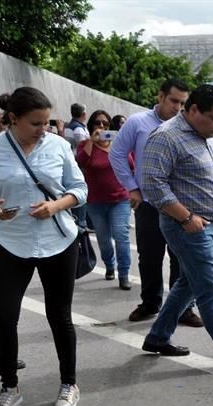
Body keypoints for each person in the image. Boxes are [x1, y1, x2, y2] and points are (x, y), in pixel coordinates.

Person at [0, 87, 88, 406]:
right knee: (5, 317)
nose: (44, 129)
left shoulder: (58, 145)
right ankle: (9, 387)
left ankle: (69, 383)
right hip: (11, 242)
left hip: (58, 240)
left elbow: (80, 190)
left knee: (60, 315)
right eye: (35, 123)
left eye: (46, 122)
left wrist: (55, 204)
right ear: (12, 119)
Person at [139, 84, 213, 377]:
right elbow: (153, 184)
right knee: (210, 290)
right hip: (188, 226)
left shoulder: (207, 136)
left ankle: (157, 337)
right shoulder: (166, 137)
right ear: (192, 110)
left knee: (188, 284)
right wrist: (187, 217)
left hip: (211, 223)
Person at [110, 78, 203, 327]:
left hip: (181, 205)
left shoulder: (189, 125)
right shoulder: (138, 123)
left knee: (181, 257)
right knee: (149, 256)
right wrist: (132, 188)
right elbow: (117, 153)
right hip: (150, 203)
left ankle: (182, 307)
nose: (178, 107)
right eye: (174, 101)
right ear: (160, 96)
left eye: (183, 103)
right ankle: (150, 302)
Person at [76, 109, 133, 290]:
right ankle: (109, 265)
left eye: (105, 124)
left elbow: (132, 165)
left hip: (120, 199)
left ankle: (124, 273)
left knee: (121, 235)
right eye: (97, 123)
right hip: (96, 201)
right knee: (103, 239)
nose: (101, 127)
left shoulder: (119, 144)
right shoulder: (85, 144)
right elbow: (81, 161)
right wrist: (91, 142)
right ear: (91, 126)